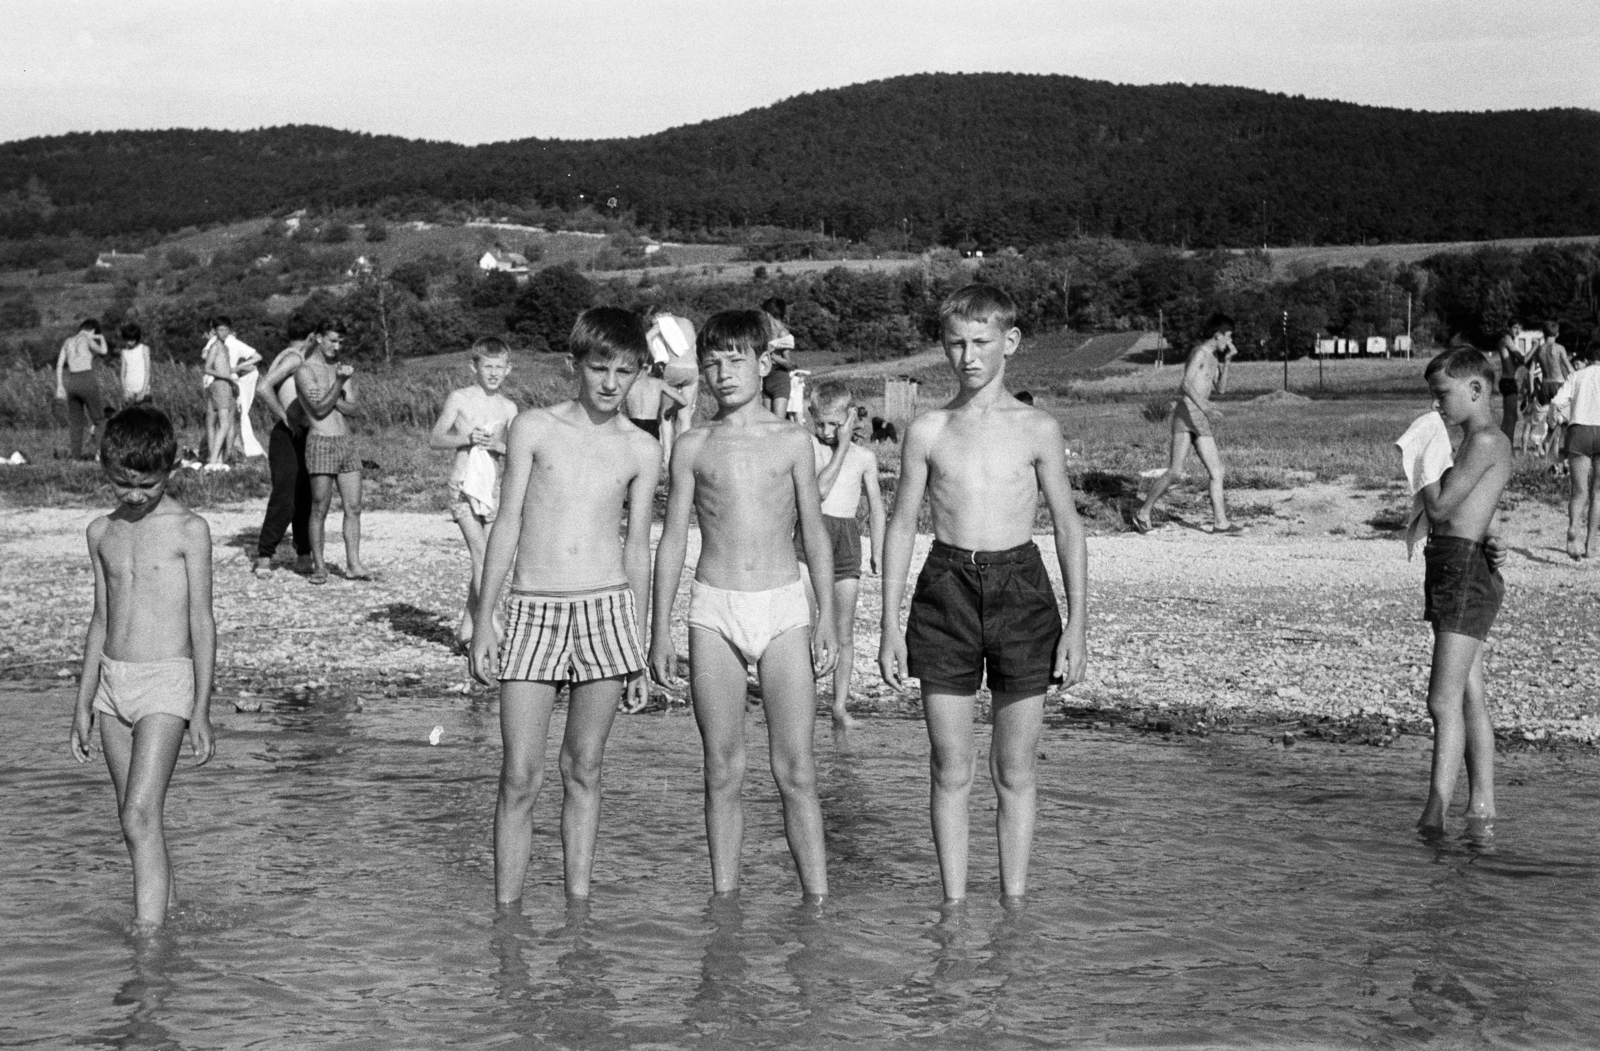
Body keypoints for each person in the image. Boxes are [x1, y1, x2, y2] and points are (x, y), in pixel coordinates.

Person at [878, 283, 1088, 902]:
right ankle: (953, 909)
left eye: (980, 342)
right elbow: (899, 526)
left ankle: (1014, 905)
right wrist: (888, 624)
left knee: (1015, 769)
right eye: (954, 343)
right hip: (945, 588)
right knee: (949, 765)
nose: (966, 356)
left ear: (1010, 343)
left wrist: (1077, 625)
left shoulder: (1038, 428)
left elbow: (1069, 528)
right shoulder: (927, 430)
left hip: (1022, 588)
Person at [468, 308, 660, 905]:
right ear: (573, 364)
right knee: (519, 776)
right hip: (531, 609)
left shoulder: (642, 448)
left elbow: (637, 549)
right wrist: (483, 619)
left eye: (624, 372)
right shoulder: (533, 427)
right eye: (598, 367)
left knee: (584, 771)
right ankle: (508, 918)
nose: (609, 382)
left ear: (639, 374)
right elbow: (507, 523)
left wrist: (640, 646)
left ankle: (579, 913)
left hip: (606, 613)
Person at [649, 309, 838, 900]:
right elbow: (674, 539)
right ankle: (724, 906)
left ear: (763, 363)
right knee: (722, 772)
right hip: (712, 611)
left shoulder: (791, 440)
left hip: (783, 608)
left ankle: (817, 903)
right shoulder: (693, 445)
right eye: (711, 363)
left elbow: (813, 531)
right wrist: (660, 631)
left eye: (736, 360)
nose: (723, 373)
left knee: (796, 771)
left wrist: (827, 618)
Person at [69, 406, 216, 930]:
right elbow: (99, 620)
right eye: (122, 483)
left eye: (147, 485)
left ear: (170, 470)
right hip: (112, 684)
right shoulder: (100, 532)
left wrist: (201, 708)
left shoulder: (189, 530)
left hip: (167, 683)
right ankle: (170, 919)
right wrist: (83, 702)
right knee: (137, 818)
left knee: (136, 815)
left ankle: (148, 947)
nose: (134, 495)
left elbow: (202, 621)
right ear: (104, 468)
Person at [1415, 347, 1513, 832]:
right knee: (1470, 693)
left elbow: (1442, 509)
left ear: (1475, 390)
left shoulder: (1485, 441)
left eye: (1442, 396)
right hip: (1460, 567)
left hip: (1463, 574)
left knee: (1442, 700)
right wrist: (1492, 536)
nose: (1437, 407)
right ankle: (1481, 808)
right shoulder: (1482, 442)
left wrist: (1420, 467)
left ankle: (1434, 814)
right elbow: (1479, 510)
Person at [796, 381, 886, 730]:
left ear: (850, 417)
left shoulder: (865, 458)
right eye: (821, 424)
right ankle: (804, 701)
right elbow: (819, 491)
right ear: (812, 418)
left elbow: (876, 507)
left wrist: (877, 549)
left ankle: (838, 705)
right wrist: (841, 446)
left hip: (847, 540)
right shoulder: (811, 448)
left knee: (843, 632)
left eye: (836, 424)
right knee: (805, 626)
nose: (828, 431)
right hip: (810, 536)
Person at [430, 337, 519, 647]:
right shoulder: (460, 398)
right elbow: (436, 438)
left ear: (508, 370)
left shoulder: (509, 407)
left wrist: (499, 446)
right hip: (463, 485)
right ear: (474, 367)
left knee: (488, 557)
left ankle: (467, 630)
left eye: (499, 367)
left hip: (492, 486)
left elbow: (514, 450)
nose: (493, 373)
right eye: (487, 366)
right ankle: (492, 625)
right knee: (481, 554)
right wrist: (466, 437)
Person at [1134, 313, 1239, 534]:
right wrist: (1206, 408)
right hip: (1187, 414)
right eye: (1228, 337)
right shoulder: (1200, 353)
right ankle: (1143, 513)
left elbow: (1220, 389)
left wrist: (1228, 362)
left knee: (1215, 471)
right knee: (1175, 471)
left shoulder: (1214, 358)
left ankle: (1221, 523)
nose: (1229, 342)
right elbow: (1185, 385)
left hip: (1197, 416)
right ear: (1217, 334)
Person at [294, 321, 369, 584]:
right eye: (332, 341)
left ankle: (353, 563)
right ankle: (319, 566)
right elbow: (318, 411)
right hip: (321, 441)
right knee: (319, 508)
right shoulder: (305, 371)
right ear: (317, 338)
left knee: (354, 507)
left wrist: (332, 392)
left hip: (345, 442)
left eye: (340, 343)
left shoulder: (340, 369)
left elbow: (355, 408)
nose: (336, 347)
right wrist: (339, 384)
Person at [250, 318, 317, 577]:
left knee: (304, 496)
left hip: (299, 434)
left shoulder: (286, 354)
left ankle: (303, 553)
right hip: (288, 435)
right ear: (312, 336)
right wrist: (285, 417)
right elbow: (263, 387)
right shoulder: (295, 358)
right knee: (286, 497)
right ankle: (265, 555)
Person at [1551, 343, 1600, 561]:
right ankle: (1590, 546)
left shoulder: (1577, 375)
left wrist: (1555, 423)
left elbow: (1557, 402)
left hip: (1579, 429)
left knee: (1579, 491)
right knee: (1597, 493)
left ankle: (1573, 529)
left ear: (1588, 358)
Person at [645, 306, 699, 458]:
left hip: (673, 368)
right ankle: (685, 456)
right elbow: (694, 348)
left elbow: (648, 337)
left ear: (659, 315)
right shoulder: (688, 322)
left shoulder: (663, 322)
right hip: (693, 370)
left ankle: (668, 457)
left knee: (666, 415)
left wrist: (657, 357)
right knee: (685, 415)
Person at [54, 319, 109, 459]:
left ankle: (76, 457)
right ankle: (102, 455)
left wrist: (60, 385)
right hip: (87, 379)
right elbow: (104, 351)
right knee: (99, 419)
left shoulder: (68, 342)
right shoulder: (88, 339)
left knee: (76, 423)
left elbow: (59, 365)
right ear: (92, 331)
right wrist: (100, 338)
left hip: (72, 382)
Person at [1533, 321, 1574, 463]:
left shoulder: (1540, 349)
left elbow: (1532, 369)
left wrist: (1534, 389)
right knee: (1562, 423)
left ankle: (1544, 450)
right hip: (1558, 384)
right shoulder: (1559, 348)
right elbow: (1568, 367)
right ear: (1557, 334)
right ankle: (1557, 453)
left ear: (1544, 333)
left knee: (1548, 421)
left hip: (1545, 385)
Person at [623, 360, 686, 442]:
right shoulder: (658, 383)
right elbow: (683, 402)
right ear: (649, 368)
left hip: (632, 423)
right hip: (651, 424)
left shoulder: (628, 384)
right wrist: (670, 411)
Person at [760, 297, 796, 419]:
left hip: (779, 381)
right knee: (767, 424)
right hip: (766, 381)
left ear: (768, 314)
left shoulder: (783, 334)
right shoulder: (766, 333)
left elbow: (790, 365)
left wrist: (772, 355)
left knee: (778, 424)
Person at [1495, 323, 1528, 443]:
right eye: (1515, 327)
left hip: (1510, 381)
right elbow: (1522, 359)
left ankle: (1504, 447)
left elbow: (1515, 364)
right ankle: (1508, 449)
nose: (1518, 330)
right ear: (1508, 327)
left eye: (1520, 328)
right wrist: (1535, 348)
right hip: (1508, 381)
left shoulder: (1510, 342)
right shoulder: (1507, 340)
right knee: (1510, 418)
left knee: (1511, 417)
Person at [117, 323, 152, 407]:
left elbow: (147, 372)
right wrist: (125, 391)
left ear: (136, 338)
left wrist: (143, 392)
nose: (129, 342)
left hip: (143, 390)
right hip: (129, 390)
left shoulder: (144, 349)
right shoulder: (124, 352)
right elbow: (122, 374)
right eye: (127, 340)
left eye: (132, 340)